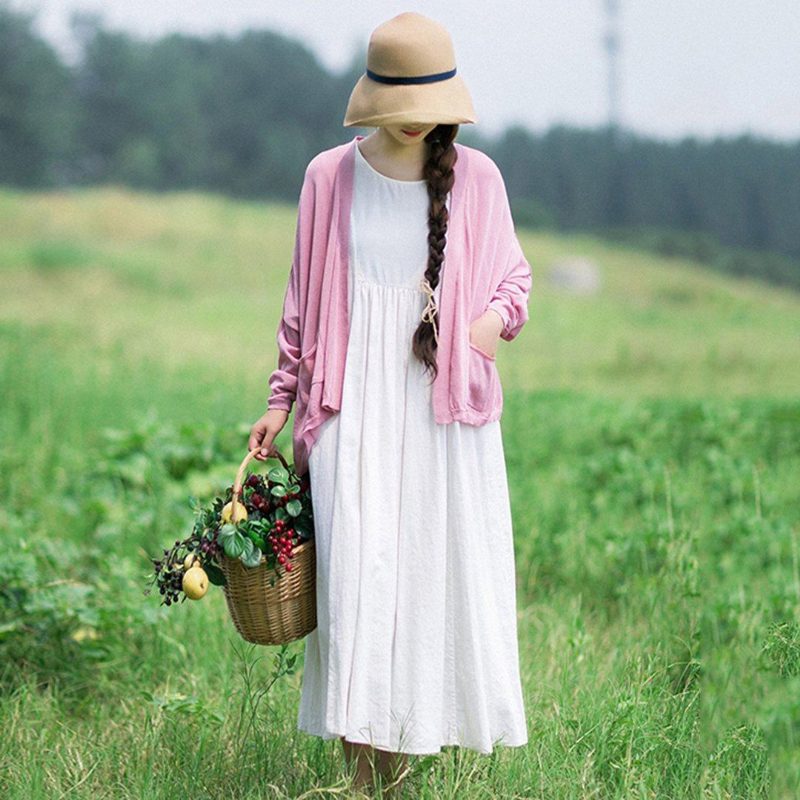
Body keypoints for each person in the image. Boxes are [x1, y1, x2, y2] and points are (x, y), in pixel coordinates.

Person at [249, 11, 532, 795]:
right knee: (355, 587)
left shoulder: (478, 179)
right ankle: (357, 774)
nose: (415, 123)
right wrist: (280, 400)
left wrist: (479, 329)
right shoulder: (326, 177)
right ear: (373, 100)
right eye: (400, 108)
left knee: (423, 583)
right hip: (350, 411)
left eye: (427, 108)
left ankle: (398, 775)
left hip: (442, 419)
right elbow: (300, 306)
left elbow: (516, 283)